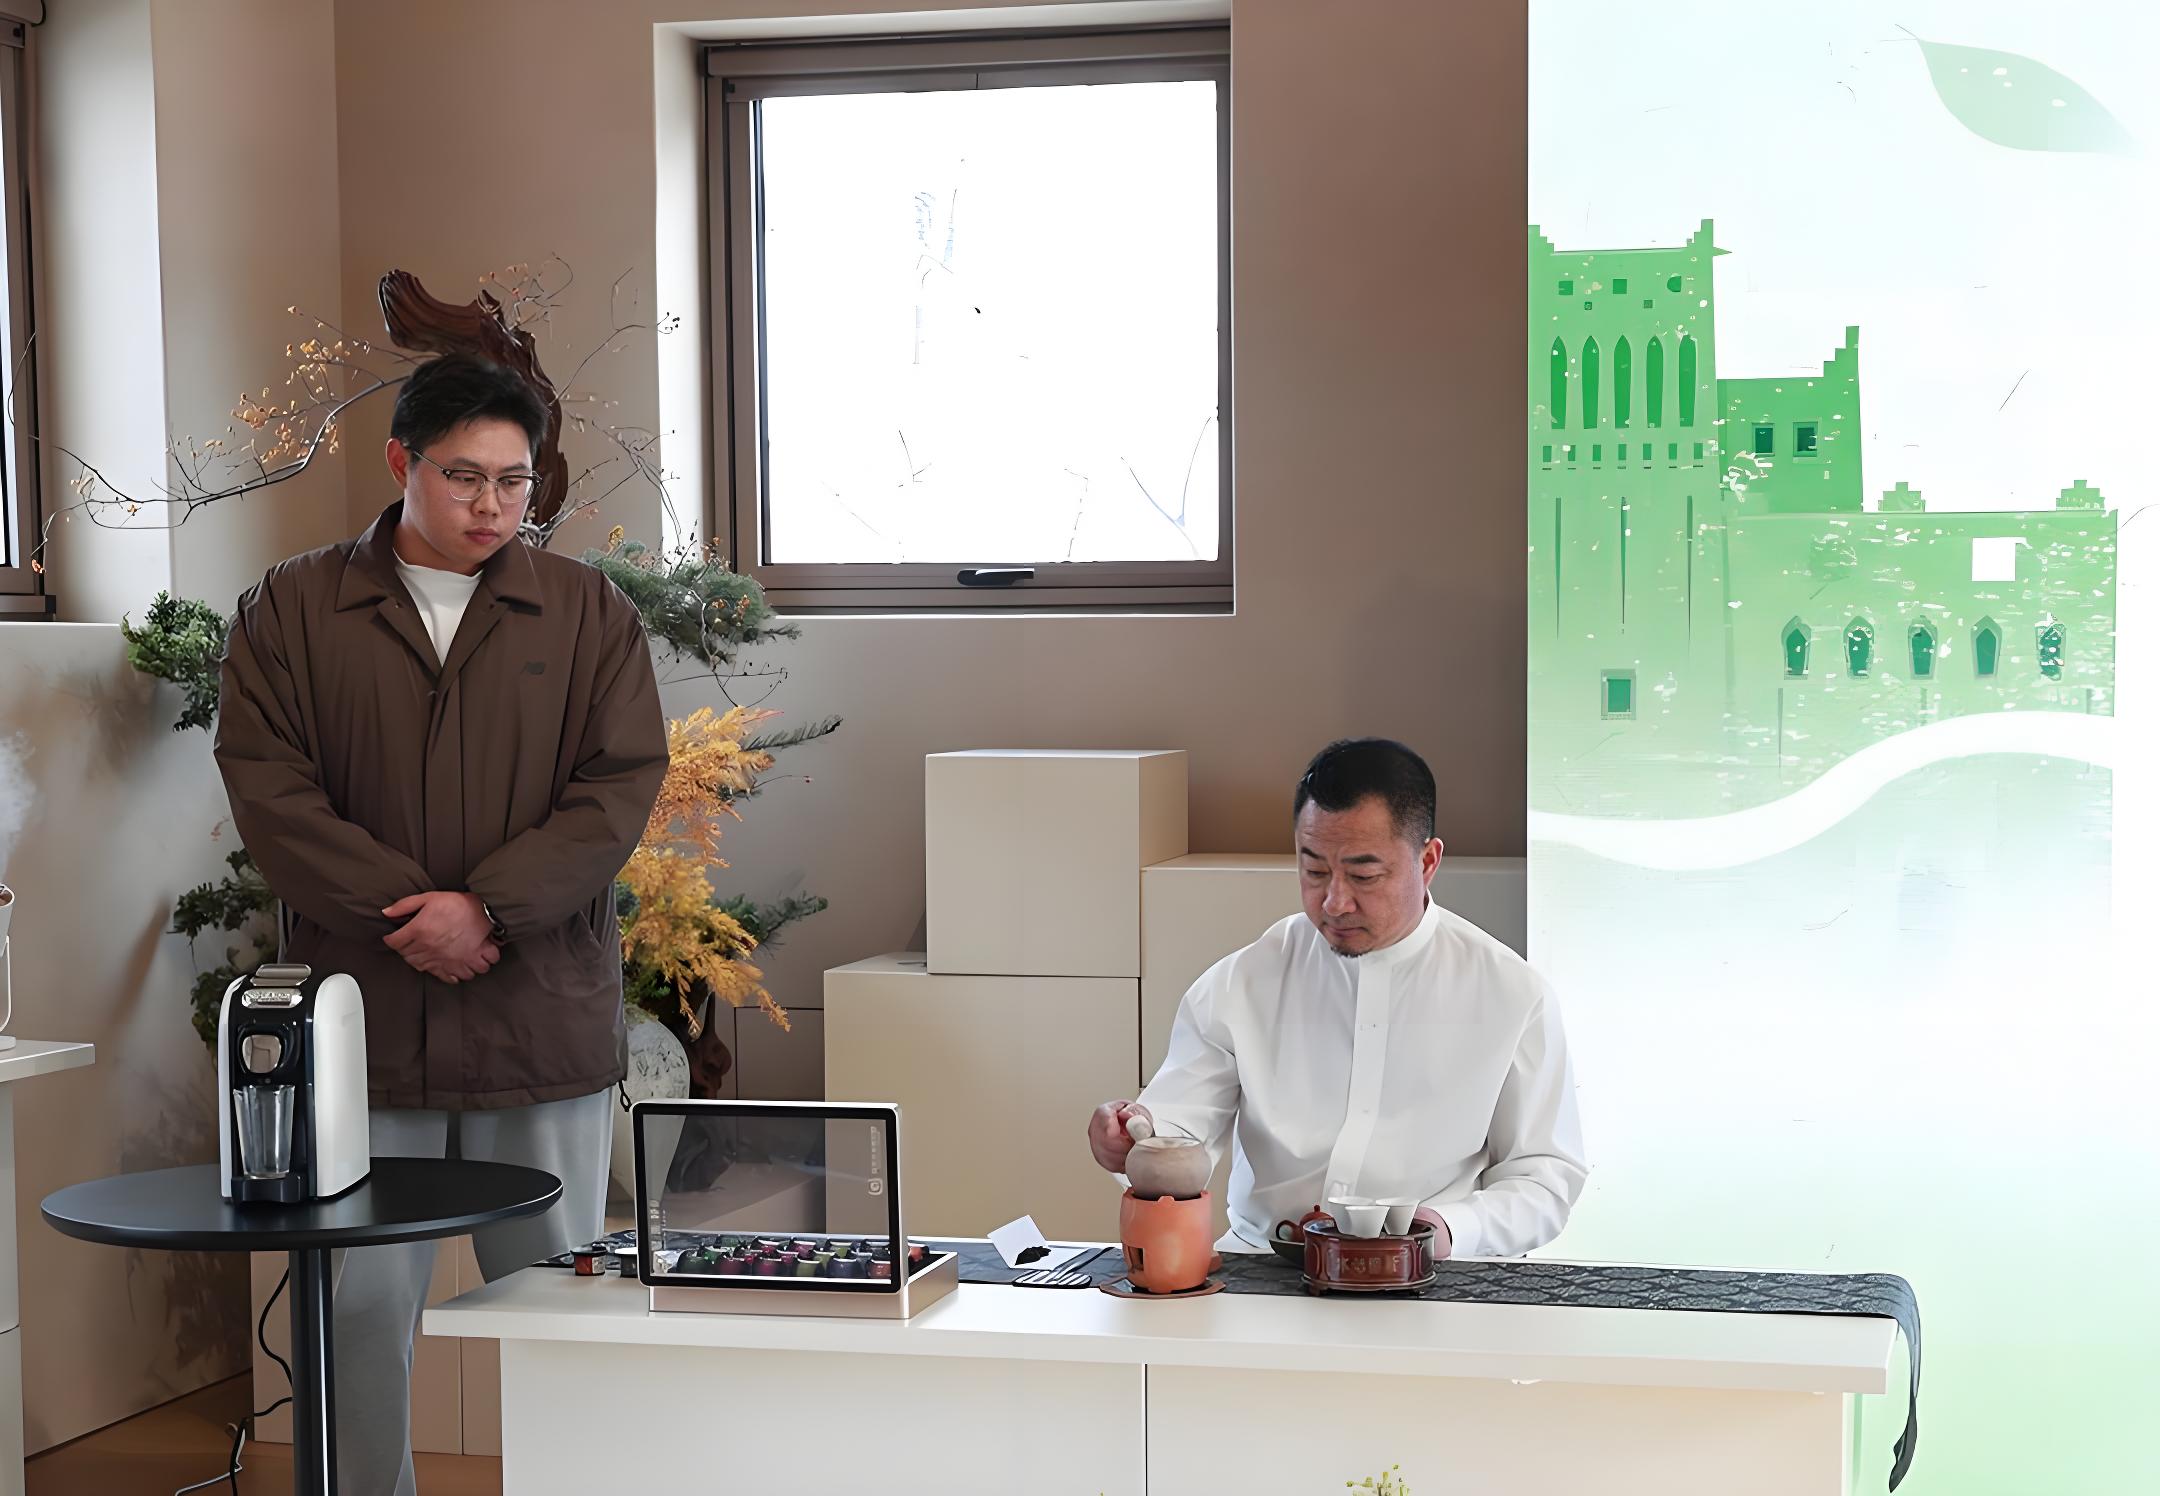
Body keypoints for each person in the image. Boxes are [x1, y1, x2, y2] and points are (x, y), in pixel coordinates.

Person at [213, 352, 667, 1495]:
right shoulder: (292, 606)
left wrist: (490, 910)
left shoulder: (586, 611)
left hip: (539, 1022)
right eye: (464, 476)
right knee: (360, 1312)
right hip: (364, 1030)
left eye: (515, 484)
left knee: (565, 1307)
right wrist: (408, 916)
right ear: (400, 462)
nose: (491, 507)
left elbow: (618, 786)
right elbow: (269, 788)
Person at [1088, 738, 1587, 1258]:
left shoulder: (1512, 993)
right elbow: (1177, 1128)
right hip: (1264, 1272)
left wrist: (1447, 1229)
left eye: (1364, 875)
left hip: (1434, 1275)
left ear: (1429, 861)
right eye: (1315, 871)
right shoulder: (1244, 981)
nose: (1334, 901)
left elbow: (1543, 1179)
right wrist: (1131, 1139)